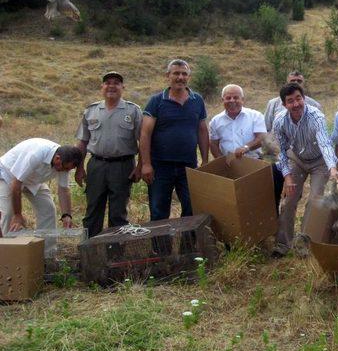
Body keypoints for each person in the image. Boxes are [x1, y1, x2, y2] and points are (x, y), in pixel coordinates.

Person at [272, 82, 338, 257]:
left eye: (298, 99)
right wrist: (287, 177)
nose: (296, 104)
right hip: (297, 160)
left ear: (304, 98)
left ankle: (304, 243)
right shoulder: (279, 121)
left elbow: (325, 142)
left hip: (320, 162)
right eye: (290, 101)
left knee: (314, 201)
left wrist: (332, 168)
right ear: (284, 104)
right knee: (289, 200)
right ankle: (283, 244)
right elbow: (281, 151)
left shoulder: (316, 116)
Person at [75, 71, 143, 238]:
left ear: (122, 87)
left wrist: (141, 166)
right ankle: (90, 249)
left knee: (118, 213)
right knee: (92, 211)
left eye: (116, 83)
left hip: (123, 166)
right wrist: (79, 167)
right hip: (96, 165)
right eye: (107, 83)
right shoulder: (91, 111)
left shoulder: (133, 111)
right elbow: (83, 142)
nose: (111, 86)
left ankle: (115, 252)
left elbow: (144, 141)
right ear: (102, 87)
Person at [140, 59, 209, 221]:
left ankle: (187, 246)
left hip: (188, 166)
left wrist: (205, 161)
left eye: (184, 74)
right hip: (160, 167)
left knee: (192, 209)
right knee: (159, 212)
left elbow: (202, 131)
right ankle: (161, 247)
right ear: (167, 76)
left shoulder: (197, 100)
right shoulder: (156, 101)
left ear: (188, 77)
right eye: (176, 73)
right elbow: (145, 134)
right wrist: (146, 164)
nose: (180, 77)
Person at [264, 71, 321, 215]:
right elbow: (267, 129)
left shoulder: (314, 105)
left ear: (303, 84)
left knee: (294, 193)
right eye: (292, 80)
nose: (295, 83)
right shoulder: (273, 104)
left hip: (303, 155)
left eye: (299, 81)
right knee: (275, 189)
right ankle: (275, 219)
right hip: (278, 153)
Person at [0, 138, 82, 235]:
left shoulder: (64, 163)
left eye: (69, 169)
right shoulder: (36, 154)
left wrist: (67, 215)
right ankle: (5, 247)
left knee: (48, 209)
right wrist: (18, 215)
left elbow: (63, 190)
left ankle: (46, 248)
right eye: (65, 168)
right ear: (57, 158)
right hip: (8, 175)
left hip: (33, 180)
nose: (65, 171)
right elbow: (16, 184)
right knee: (8, 213)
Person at [209, 84, 266, 160]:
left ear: (242, 99)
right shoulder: (215, 121)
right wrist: (222, 162)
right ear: (222, 100)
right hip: (229, 165)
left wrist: (246, 148)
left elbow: (262, 138)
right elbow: (213, 145)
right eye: (228, 98)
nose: (232, 100)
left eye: (236, 97)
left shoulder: (256, 116)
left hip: (254, 162)